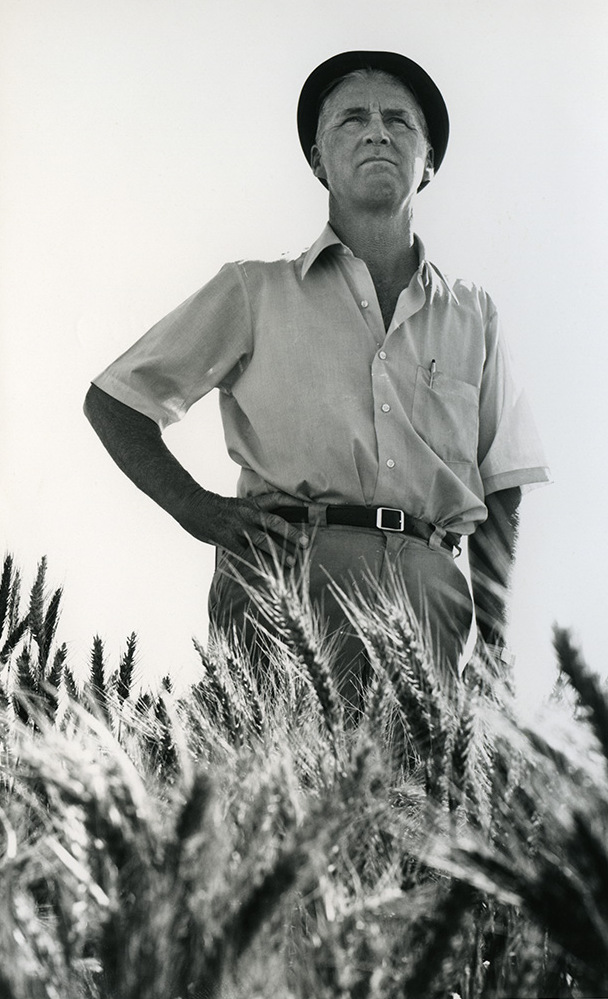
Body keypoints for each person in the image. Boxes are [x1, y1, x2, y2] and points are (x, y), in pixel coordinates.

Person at [84, 50, 550, 706]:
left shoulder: (476, 315)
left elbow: (502, 490)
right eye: (351, 120)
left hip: (430, 610)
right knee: (273, 799)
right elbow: (116, 400)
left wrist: (495, 643)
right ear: (316, 159)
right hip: (281, 591)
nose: (377, 131)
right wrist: (197, 509)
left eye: (399, 121)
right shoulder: (255, 291)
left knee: (413, 803)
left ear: (430, 163)